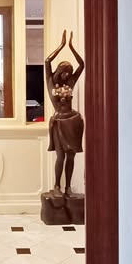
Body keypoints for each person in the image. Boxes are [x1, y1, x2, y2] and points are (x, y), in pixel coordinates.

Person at [45, 29, 84, 196]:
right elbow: (47, 61)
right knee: (60, 156)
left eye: (69, 72)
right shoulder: (51, 82)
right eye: (64, 72)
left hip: (73, 120)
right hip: (59, 122)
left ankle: (68, 187)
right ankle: (57, 186)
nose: (67, 75)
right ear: (59, 71)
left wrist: (72, 47)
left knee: (71, 156)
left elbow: (82, 65)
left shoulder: (70, 83)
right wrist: (61, 45)